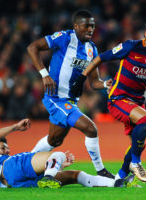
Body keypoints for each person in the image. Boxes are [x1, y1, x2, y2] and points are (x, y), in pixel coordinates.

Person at [71, 18, 146, 182]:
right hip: (118, 99)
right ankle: (136, 163)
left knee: (138, 145)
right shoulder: (131, 46)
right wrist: (82, 78)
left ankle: (120, 178)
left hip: (136, 102)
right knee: (145, 119)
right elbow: (100, 58)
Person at [27, 10, 114, 178]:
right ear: (76, 26)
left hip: (71, 101)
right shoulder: (65, 38)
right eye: (86, 26)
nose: (90, 29)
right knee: (90, 128)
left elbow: (94, 82)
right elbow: (32, 47)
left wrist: (105, 84)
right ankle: (101, 171)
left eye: (92, 26)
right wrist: (44, 74)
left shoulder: (91, 50)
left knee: (54, 140)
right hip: (55, 98)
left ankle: (26, 165)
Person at [0, 118, 136, 188]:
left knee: (75, 175)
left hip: (16, 184)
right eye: (2, 148)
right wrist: (15, 127)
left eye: (7, 148)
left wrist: (55, 165)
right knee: (58, 154)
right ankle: (49, 176)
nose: (7, 150)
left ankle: (117, 183)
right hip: (12, 169)